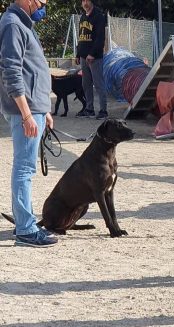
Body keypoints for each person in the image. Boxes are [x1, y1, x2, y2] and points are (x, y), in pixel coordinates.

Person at [0, 0, 58, 247]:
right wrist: (26, 114)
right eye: (40, 1)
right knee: (24, 170)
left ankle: (26, 224)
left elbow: (30, 68)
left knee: (25, 169)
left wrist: (41, 109)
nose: (42, 5)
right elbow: (11, 71)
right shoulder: (13, 24)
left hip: (34, 108)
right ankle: (25, 229)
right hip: (25, 111)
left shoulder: (23, 23)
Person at [75, 0, 107, 120]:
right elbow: (81, 37)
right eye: (83, 1)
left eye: (87, 0)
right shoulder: (83, 17)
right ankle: (89, 109)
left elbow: (100, 38)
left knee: (98, 84)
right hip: (84, 57)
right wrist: (78, 54)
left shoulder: (98, 17)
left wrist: (92, 54)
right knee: (86, 84)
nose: (85, 3)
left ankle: (103, 111)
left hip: (94, 58)